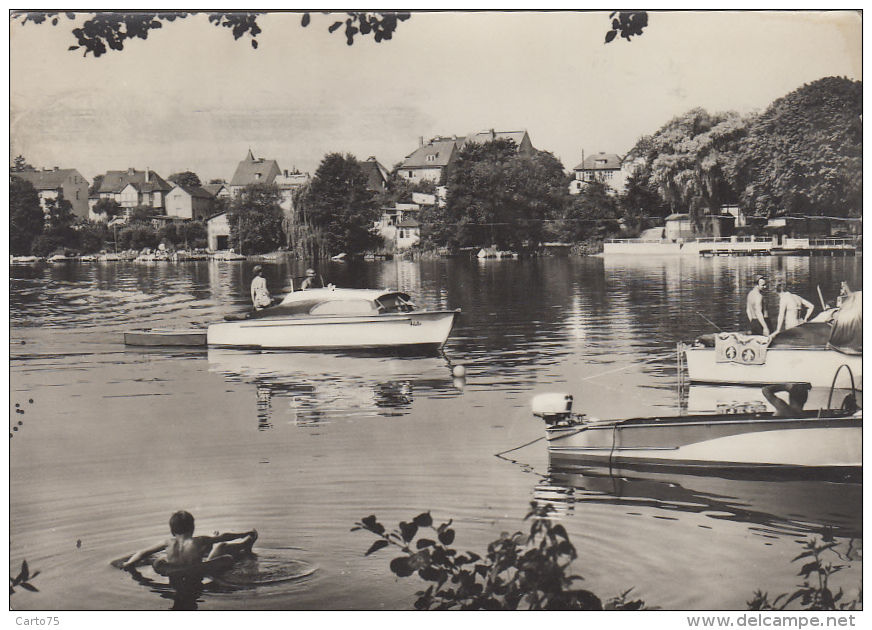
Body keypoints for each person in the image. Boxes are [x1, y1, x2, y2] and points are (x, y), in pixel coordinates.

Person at [122, 510, 257, 574]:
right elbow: (224, 536)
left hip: (175, 570)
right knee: (221, 547)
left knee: (163, 557)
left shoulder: (167, 542)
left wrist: (129, 563)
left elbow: (143, 553)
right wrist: (244, 533)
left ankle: (241, 545)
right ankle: (246, 544)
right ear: (192, 528)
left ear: (172, 530)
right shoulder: (198, 541)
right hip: (197, 570)